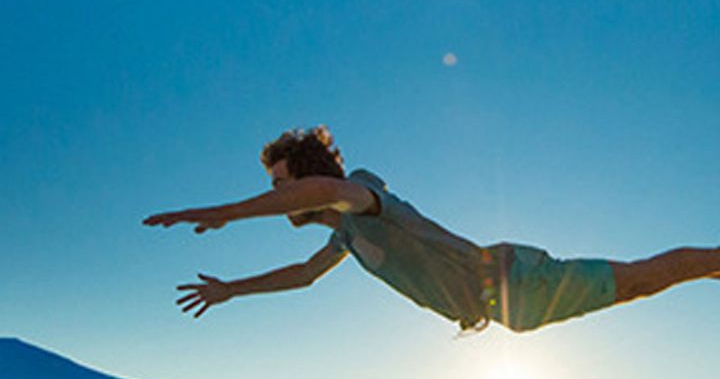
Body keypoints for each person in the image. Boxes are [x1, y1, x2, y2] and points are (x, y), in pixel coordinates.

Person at [143, 126, 720, 333]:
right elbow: (303, 275)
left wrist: (227, 212)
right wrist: (230, 290)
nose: (278, 197)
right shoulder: (344, 236)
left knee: (642, 279)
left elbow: (329, 192)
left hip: (516, 280)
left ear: (309, 180)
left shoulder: (362, 195)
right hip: (507, 308)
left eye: (281, 184)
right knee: (642, 282)